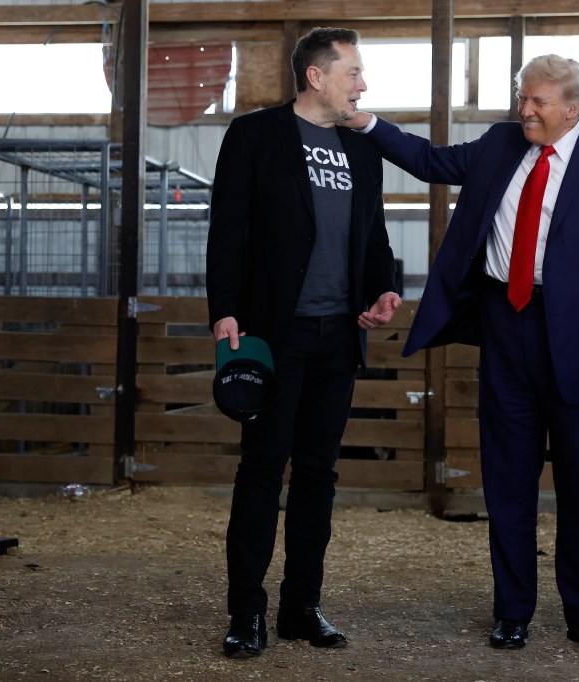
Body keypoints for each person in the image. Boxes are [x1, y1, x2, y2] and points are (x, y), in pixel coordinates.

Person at [339, 54, 579, 653]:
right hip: (505, 330)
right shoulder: (501, 143)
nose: (524, 110)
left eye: (536, 101)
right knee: (507, 480)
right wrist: (366, 124)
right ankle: (513, 610)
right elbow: (430, 162)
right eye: (520, 98)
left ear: (572, 108)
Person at [205, 26, 402, 658]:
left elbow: (373, 237)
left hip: (339, 336)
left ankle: (301, 607)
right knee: (262, 469)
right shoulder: (255, 136)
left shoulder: (361, 148)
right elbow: (226, 230)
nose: (362, 84)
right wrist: (225, 312)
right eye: (353, 72)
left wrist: (384, 289)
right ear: (317, 76)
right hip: (274, 333)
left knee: (318, 473)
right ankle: (246, 614)